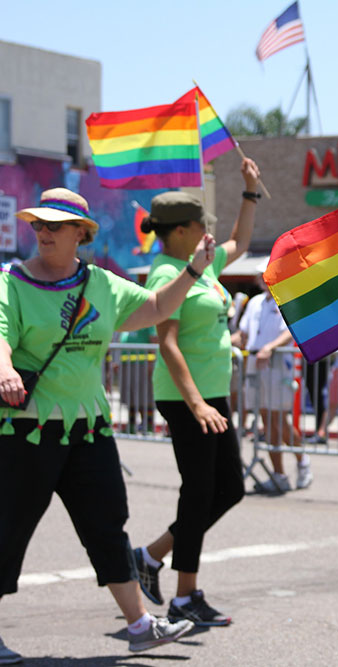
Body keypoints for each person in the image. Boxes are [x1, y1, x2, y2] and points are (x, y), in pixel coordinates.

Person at [0, 188, 215, 658]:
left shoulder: (101, 282)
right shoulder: (11, 281)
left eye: (54, 225)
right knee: (6, 527)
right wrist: (5, 368)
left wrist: (195, 269)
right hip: (25, 429)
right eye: (38, 224)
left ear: (82, 233)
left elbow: (158, 307)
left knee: (107, 525)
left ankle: (139, 625)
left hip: (89, 428)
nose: (43, 232)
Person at [131, 158, 260, 627]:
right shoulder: (167, 274)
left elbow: (241, 242)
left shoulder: (200, 265)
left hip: (211, 396)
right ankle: (186, 595)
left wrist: (250, 191)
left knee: (229, 489)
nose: (208, 232)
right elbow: (165, 343)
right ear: (181, 231)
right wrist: (196, 403)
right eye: (200, 225)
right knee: (200, 492)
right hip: (188, 398)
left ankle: (150, 555)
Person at [240, 260, 311, 492]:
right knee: (267, 420)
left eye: (266, 275)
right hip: (256, 365)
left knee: (280, 421)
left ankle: (302, 463)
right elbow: (243, 334)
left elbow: (287, 333)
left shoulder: (286, 300)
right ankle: (279, 474)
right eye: (260, 275)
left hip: (276, 366)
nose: (262, 279)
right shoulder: (256, 303)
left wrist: (269, 348)